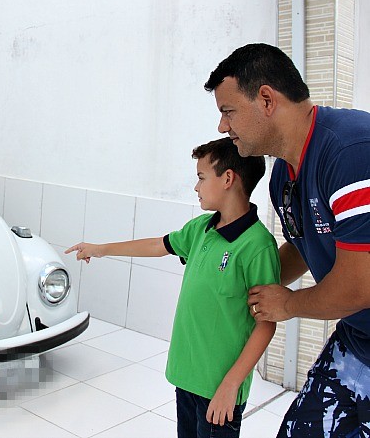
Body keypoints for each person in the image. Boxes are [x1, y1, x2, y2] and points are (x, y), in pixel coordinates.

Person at [204, 43, 370, 437]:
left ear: (265, 99)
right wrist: (248, 280)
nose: (222, 128)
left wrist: (289, 303)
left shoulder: (351, 152)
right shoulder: (284, 176)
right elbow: (302, 243)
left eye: (227, 112)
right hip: (357, 337)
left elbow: (360, 286)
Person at [66, 137, 279, 438]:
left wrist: (231, 385)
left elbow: (266, 324)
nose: (196, 187)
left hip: (219, 390)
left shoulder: (257, 246)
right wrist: (101, 249)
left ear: (228, 178)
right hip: (187, 377)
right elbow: (158, 245)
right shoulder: (201, 229)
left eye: (201, 178)